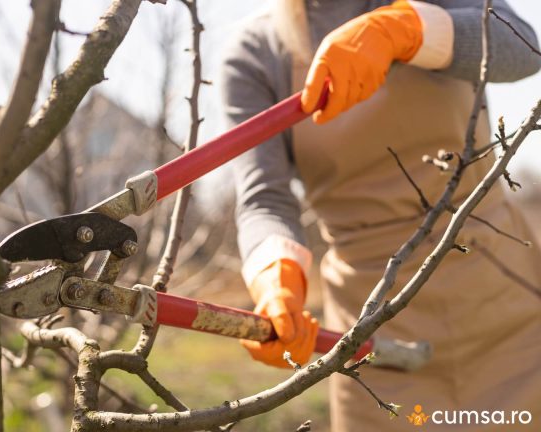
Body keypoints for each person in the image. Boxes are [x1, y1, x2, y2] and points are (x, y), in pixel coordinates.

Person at [220, 1, 541, 430]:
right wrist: (276, 280)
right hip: (372, 329)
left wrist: (402, 29)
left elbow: (522, 48)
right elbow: (265, 198)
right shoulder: (256, 52)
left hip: (502, 302)